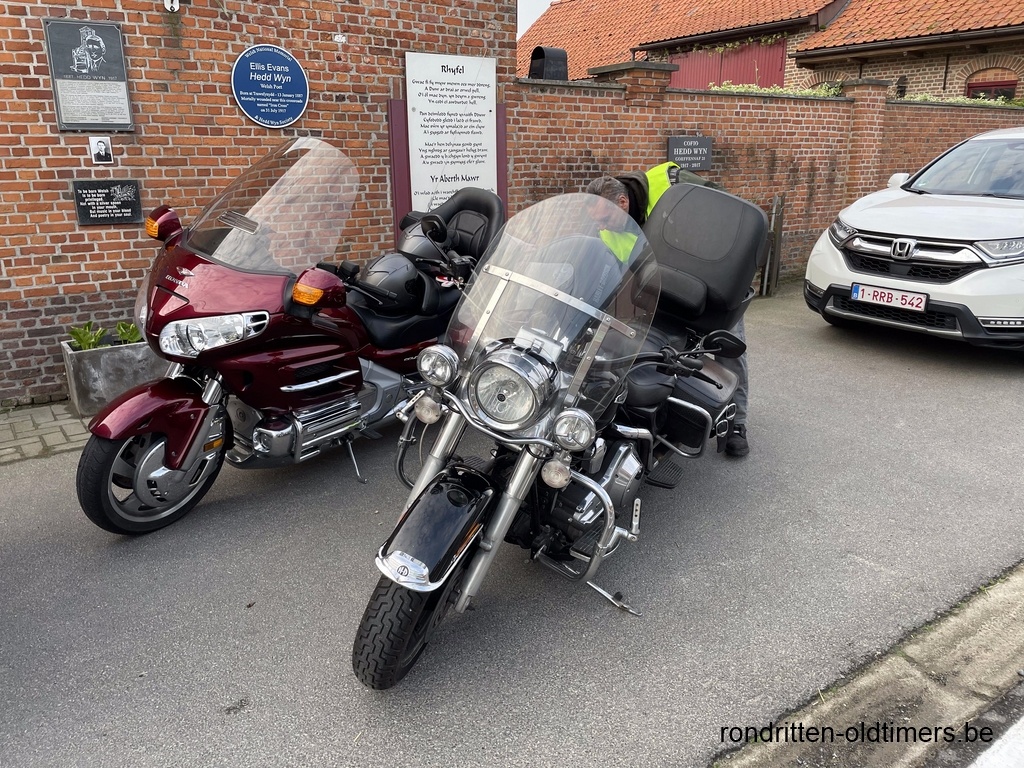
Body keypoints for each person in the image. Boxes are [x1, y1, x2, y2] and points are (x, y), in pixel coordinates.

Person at [585, 169, 751, 458]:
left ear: (623, 202)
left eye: (605, 218)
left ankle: (736, 423)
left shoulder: (670, 182)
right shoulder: (609, 233)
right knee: (657, 350)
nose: (601, 226)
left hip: (714, 278)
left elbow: (730, 214)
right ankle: (663, 424)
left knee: (728, 345)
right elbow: (614, 276)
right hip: (663, 288)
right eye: (597, 221)